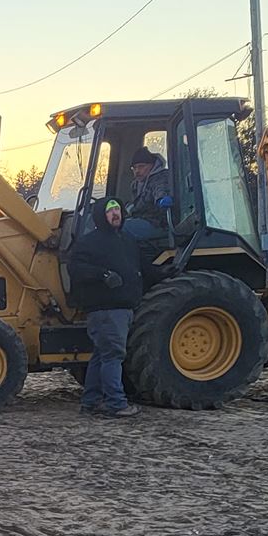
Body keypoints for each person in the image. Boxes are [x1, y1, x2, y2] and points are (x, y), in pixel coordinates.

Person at [68, 196, 143, 419]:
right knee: (113, 355)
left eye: (118, 209)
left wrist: (162, 272)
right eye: (110, 211)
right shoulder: (89, 243)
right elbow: (76, 268)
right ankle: (116, 404)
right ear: (101, 215)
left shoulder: (127, 240)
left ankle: (91, 402)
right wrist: (103, 275)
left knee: (101, 355)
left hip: (123, 308)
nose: (115, 214)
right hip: (106, 310)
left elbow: (139, 267)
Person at [123, 148, 172, 248]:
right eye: (134, 168)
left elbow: (160, 189)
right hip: (143, 219)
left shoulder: (161, 177)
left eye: (141, 166)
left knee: (120, 228)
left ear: (153, 165)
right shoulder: (136, 184)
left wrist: (161, 199)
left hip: (158, 223)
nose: (137, 171)